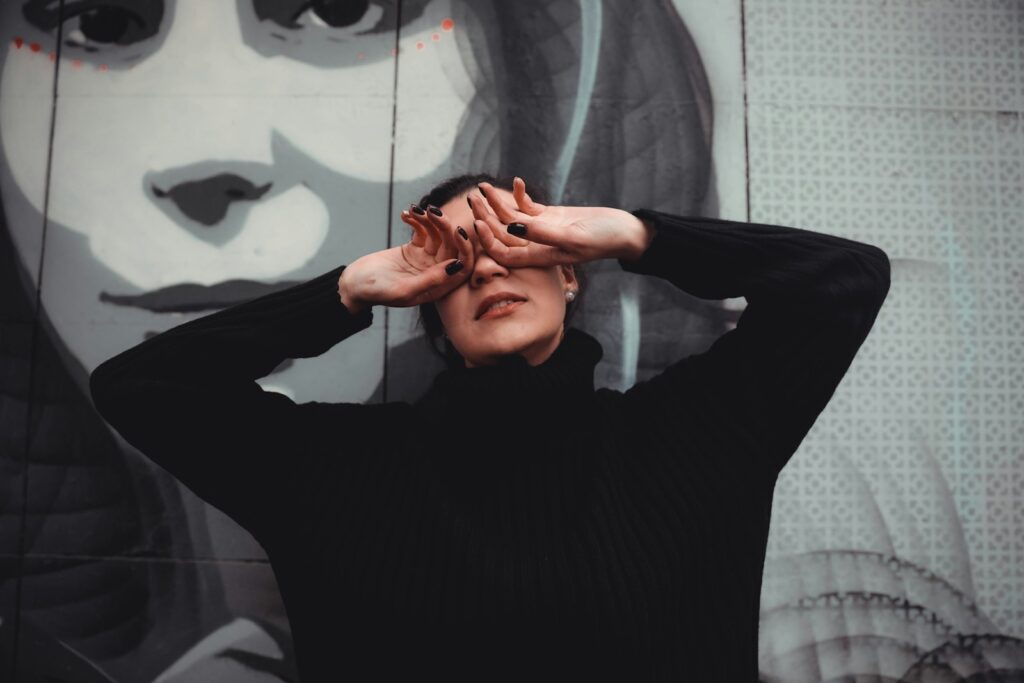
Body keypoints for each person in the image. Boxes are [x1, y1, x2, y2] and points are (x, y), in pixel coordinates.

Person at [89, 173, 891, 681]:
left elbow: (845, 281)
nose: (488, 267)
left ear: (570, 269)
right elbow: (141, 387)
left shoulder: (693, 434)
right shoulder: (339, 470)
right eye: (455, 259)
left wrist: (636, 233)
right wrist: (348, 290)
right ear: (429, 301)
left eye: (514, 239)